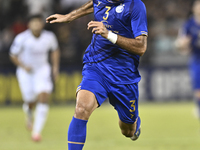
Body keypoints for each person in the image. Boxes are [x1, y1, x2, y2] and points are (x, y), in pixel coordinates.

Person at [46, 0, 147, 149]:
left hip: (124, 76)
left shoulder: (135, 6)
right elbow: (93, 4)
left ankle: (134, 123)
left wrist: (108, 34)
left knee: (128, 130)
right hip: (96, 66)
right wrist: (69, 16)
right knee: (81, 108)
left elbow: (141, 47)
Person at [10, 14, 60, 142]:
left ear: (42, 24)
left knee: (43, 97)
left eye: (38, 22)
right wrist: (23, 66)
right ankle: (29, 113)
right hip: (26, 72)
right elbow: (13, 55)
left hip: (42, 70)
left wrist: (55, 68)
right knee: (30, 101)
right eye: (34, 23)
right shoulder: (22, 38)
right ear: (29, 25)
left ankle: (36, 132)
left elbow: (55, 50)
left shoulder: (49, 37)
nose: (36, 25)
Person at [175, 0, 200, 120]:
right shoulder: (188, 25)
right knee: (198, 89)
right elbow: (179, 44)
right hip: (196, 59)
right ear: (193, 8)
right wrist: (183, 44)